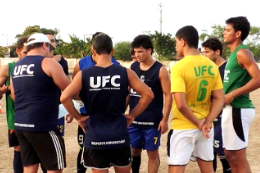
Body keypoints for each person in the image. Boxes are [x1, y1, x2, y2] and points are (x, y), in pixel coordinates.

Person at [61, 33, 154, 173]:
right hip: (119, 135)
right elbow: (148, 94)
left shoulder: (84, 74)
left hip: (95, 136)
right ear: (112, 51)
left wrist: (79, 118)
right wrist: (132, 115)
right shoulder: (125, 72)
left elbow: (64, 98)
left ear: (93, 51)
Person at [10, 33, 70, 173]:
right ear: (44, 45)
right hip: (43, 125)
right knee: (55, 167)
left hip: (21, 124)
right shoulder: (48, 62)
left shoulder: (17, 66)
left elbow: (14, 95)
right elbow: (69, 89)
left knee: (29, 167)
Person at [168, 25, 224, 173]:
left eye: (176, 42)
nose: (176, 46)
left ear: (182, 41)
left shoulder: (179, 67)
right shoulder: (212, 66)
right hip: (206, 127)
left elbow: (181, 104)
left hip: (184, 126)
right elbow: (219, 98)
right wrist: (208, 121)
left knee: (176, 168)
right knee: (207, 167)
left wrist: (199, 123)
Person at [72, 32, 120, 173]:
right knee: (84, 148)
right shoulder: (81, 64)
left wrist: (121, 109)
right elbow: (73, 92)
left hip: (109, 117)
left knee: (110, 151)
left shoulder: (115, 65)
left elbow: (124, 92)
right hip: (87, 116)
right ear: (92, 47)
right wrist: (76, 111)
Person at [222, 16, 260, 173]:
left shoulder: (242, 53)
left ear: (237, 34)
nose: (224, 33)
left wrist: (233, 94)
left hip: (238, 108)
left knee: (237, 156)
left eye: (227, 30)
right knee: (230, 155)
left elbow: (258, 79)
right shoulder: (233, 54)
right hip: (231, 110)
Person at [129, 35, 172, 173]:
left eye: (140, 51)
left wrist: (164, 119)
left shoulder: (160, 69)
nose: (137, 55)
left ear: (149, 50)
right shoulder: (133, 67)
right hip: (134, 120)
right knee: (134, 150)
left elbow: (168, 94)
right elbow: (127, 92)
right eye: (135, 52)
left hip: (152, 121)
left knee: (152, 154)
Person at [202, 37, 231, 173]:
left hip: (223, 116)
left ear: (217, 52)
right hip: (208, 115)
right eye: (203, 52)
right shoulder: (207, 69)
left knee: (224, 153)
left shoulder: (227, 69)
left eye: (207, 52)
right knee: (209, 153)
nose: (204, 55)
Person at [0, 36, 28, 173]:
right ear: (18, 51)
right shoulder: (9, 68)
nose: (29, 56)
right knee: (19, 150)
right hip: (15, 118)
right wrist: (7, 88)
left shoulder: (39, 66)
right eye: (25, 52)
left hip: (35, 117)